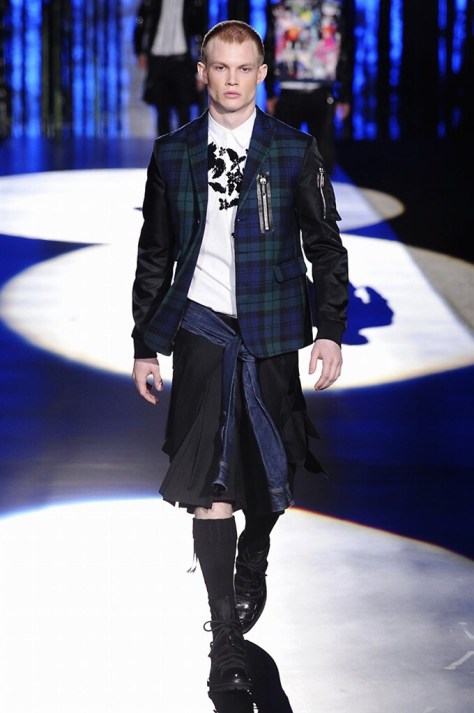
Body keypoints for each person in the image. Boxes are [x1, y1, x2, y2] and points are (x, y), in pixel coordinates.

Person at [132, 20, 348, 697]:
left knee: (275, 473)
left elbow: (326, 246)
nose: (231, 79)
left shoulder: (293, 150)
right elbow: (155, 251)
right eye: (219, 67)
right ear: (202, 71)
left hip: (274, 328)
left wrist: (331, 329)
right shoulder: (173, 153)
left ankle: (255, 548)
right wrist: (144, 342)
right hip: (201, 329)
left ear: (261, 74)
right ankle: (224, 638)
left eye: (243, 67)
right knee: (211, 485)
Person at [265, 0, 354, 174]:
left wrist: (344, 95)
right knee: (286, 157)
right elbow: (270, 46)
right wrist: (270, 91)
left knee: (322, 158)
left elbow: (344, 49)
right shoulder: (280, 8)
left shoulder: (333, 8)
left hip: (321, 88)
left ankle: (318, 191)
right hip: (289, 89)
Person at [133, 0, 206, 136]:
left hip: (182, 62)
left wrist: (202, 66)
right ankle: (164, 148)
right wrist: (140, 51)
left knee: (184, 111)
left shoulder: (193, 3)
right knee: (162, 112)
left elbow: (200, 32)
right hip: (158, 61)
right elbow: (141, 23)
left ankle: (184, 148)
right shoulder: (151, 2)